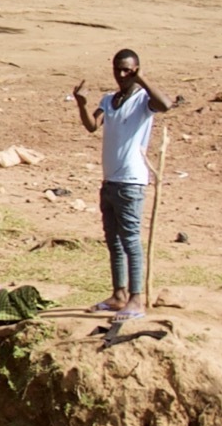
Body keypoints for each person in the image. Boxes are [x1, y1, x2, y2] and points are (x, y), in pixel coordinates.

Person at [75, 49, 184, 318]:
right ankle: (118, 294)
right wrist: (81, 103)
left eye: (128, 70)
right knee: (113, 241)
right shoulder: (109, 100)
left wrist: (142, 79)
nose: (122, 75)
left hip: (131, 182)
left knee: (131, 242)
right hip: (110, 181)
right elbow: (92, 126)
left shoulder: (144, 100)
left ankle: (136, 299)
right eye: (118, 69)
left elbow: (166, 105)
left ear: (136, 69)